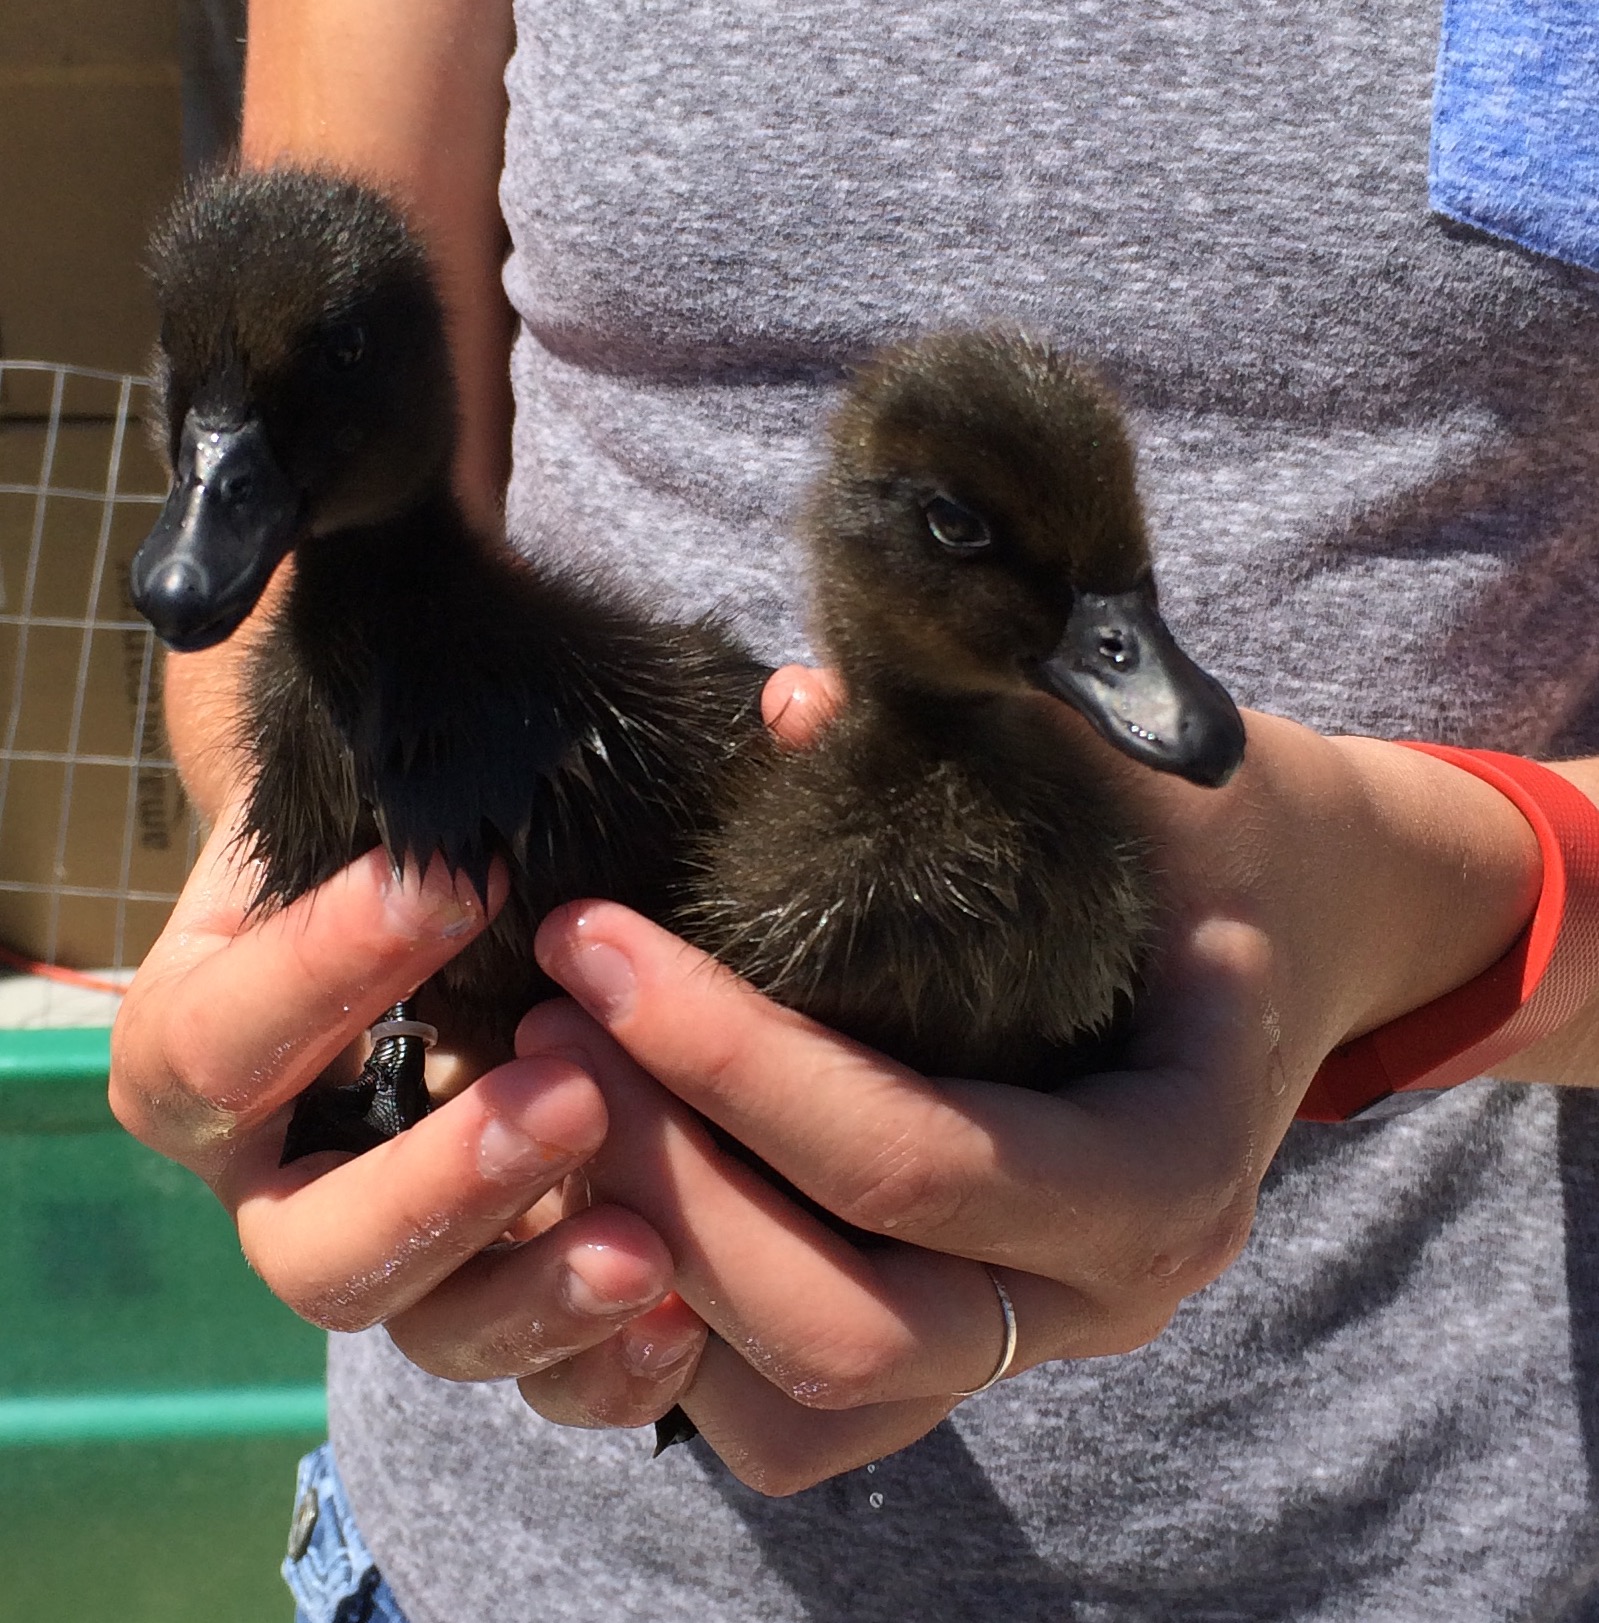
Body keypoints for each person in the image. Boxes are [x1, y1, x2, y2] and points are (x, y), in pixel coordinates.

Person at [109, 0, 1599, 1617]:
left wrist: (1450, 902)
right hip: (492, 1550)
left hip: (1421, 1539)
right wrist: (339, 1011)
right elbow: (310, 396)